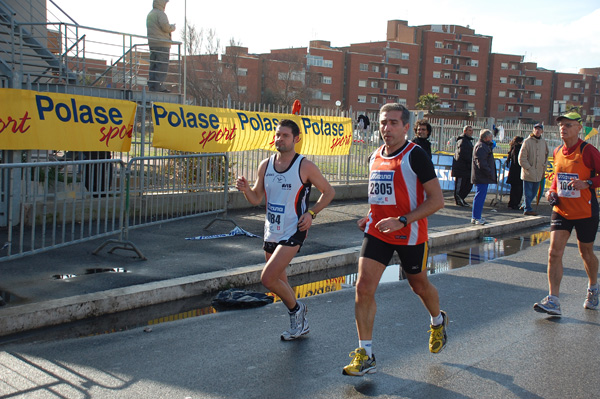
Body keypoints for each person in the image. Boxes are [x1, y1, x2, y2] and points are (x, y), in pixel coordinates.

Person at [342, 103, 446, 377]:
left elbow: (437, 200)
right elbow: (382, 196)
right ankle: (366, 354)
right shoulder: (374, 156)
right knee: (363, 288)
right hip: (378, 232)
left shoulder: (416, 156)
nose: (386, 128)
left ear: (406, 127)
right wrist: (369, 216)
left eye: (393, 123)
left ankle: (437, 320)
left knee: (419, 286)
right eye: (383, 123)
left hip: (410, 234)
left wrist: (402, 220)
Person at [236, 119, 335, 340]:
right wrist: (245, 189)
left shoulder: (305, 166)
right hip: (271, 230)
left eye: (285, 136)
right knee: (281, 282)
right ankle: (300, 324)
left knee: (268, 278)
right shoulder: (266, 164)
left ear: (296, 139)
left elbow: (328, 192)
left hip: (294, 229)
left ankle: (297, 310)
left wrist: (311, 214)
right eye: (277, 135)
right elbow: (255, 198)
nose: (279, 139)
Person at [533, 112, 600, 316]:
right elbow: (556, 179)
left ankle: (593, 288)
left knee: (586, 253)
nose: (563, 128)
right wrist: (551, 192)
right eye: (561, 125)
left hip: (585, 210)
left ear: (579, 128)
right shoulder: (558, 151)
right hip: (562, 210)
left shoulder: (588, 151)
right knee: (554, 252)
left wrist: (587, 183)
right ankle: (553, 299)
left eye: (568, 125)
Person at [518, 122, 548, 216]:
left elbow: (546, 155)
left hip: (539, 172)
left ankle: (525, 205)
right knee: (527, 192)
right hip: (528, 172)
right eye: (536, 128)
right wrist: (529, 168)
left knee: (534, 192)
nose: (537, 130)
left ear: (542, 131)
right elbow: (521, 158)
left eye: (539, 129)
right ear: (533, 130)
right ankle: (527, 209)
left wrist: (544, 167)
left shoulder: (543, 142)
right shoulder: (527, 141)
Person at [146, 0, 176, 92]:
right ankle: (159, 86)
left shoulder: (151, 13)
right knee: (162, 66)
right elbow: (165, 27)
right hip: (162, 44)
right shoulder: (160, 14)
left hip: (153, 44)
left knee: (154, 65)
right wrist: (172, 27)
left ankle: (152, 86)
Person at [470, 129, 497, 225]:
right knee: (480, 196)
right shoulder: (481, 147)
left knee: (480, 196)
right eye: (490, 137)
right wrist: (489, 172)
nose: (492, 139)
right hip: (481, 176)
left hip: (482, 175)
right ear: (486, 138)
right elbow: (481, 163)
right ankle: (476, 217)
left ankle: (476, 216)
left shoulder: (484, 146)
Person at [451, 125, 474, 207]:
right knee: (460, 185)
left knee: (468, 184)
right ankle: (458, 199)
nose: (471, 132)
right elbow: (462, 154)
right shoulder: (462, 141)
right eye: (469, 130)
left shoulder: (468, 141)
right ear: (465, 131)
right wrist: (470, 161)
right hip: (461, 167)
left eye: (471, 130)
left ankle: (461, 198)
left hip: (467, 168)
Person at [506, 136, 524, 210]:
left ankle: (513, 203)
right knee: (518, 189)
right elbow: (517, 161)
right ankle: (514, 203)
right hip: (517, 172)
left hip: (514, 172)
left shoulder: (513, 148)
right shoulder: (517, 149)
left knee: (514, 189)